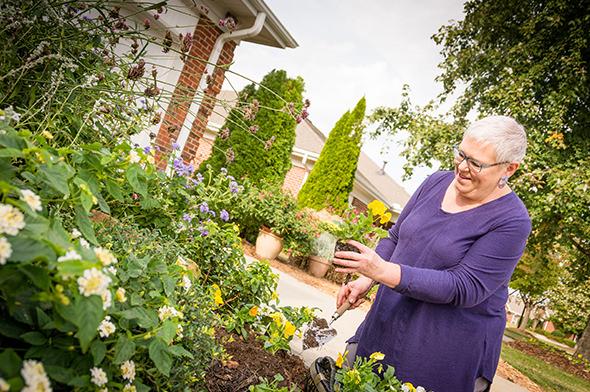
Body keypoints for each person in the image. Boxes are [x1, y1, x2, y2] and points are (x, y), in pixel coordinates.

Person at [333, 116, 531, 392]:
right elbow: (396, 237)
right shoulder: (436, 182)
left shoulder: (512, 221)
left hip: (444, 348)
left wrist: (382, 271)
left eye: (476, 163)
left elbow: (464, 287)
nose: (462, 167)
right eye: (461, 154)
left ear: (509, 169)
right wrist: (367, 279)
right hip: (388, 321)